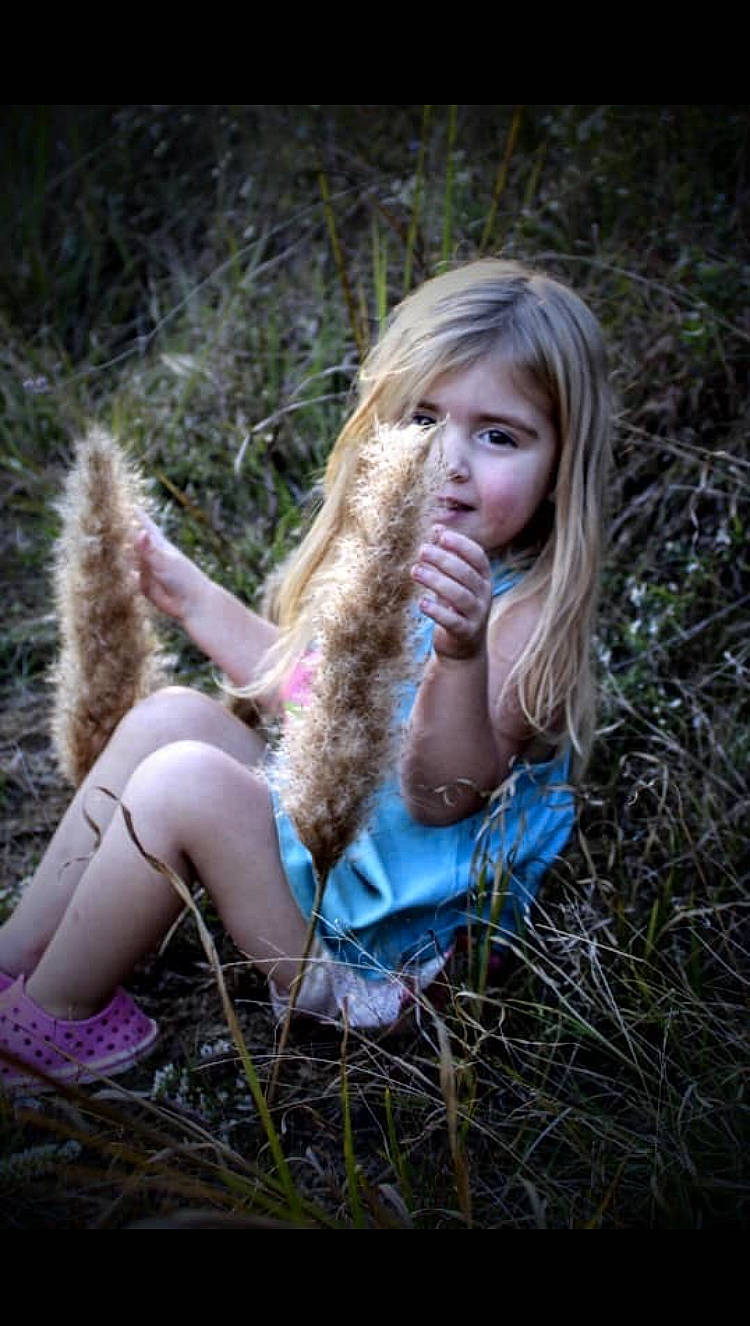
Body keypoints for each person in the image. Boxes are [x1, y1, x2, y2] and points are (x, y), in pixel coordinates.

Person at [0, 259, 611, 1093]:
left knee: (185, 783)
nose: (448, 459)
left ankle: (57, 1023)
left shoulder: (519, 616)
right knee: (172, 718)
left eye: (498, 435)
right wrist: (189, 594)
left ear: (560, 465)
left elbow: (442, 795)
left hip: (380, 952)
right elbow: (307, 696)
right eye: (422, 418)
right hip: (341, 860)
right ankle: (20, 953)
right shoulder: (393, 563)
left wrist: (460, 654)